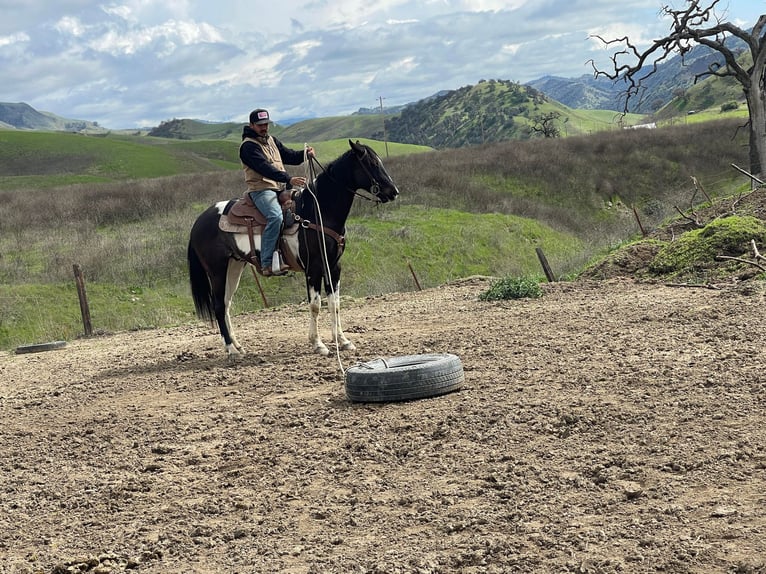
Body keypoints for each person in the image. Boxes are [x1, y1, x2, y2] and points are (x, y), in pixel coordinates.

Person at [240, 108, 315, 276]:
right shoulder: (248, 147)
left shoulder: (271, 140)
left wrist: (305, 154)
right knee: (275, 216)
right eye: (260, 125)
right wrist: (288, 179)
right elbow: (264, 168)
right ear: (251, 125)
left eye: (266, 124)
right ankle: (266, 263)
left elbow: (289, 155)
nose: (264, 127)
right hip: (261, 190)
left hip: (279, 188)